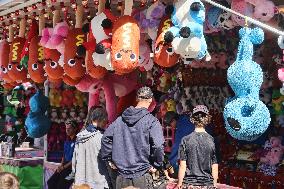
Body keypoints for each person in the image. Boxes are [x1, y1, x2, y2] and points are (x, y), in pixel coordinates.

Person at [101, 86, 165, 189]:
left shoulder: (119, 120)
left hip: (121, 177)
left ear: (136, 99)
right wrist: (157, 165)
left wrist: (110, 159)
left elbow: (105, 139)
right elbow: (158, 146)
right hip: (142, 176)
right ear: (150, 100)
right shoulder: (152, 121)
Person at [176, 105, 218, 189]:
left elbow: (182, 166)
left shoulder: (185, 140)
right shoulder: (212, 140)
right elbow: (215, 166)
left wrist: (179, 183)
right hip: (207, 184)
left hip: (189, 184)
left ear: (192, 119)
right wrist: (214, 185)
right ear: (207, 119)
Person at [71, 106, 111, 189]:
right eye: (106, 121)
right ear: (102, 120)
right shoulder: (102, 138)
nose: (106, 124)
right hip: (98, 184)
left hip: (81, 183)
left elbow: (74, 162)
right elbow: (109, 162)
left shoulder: (80, 136)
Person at [47, 120, 78, 189]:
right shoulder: (67, 141)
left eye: (69, 128)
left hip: (73, 169)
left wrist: (63, 167)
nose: (67, 130)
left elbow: (75, 159)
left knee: (61, 186)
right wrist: (61, 165)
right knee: (51, 182)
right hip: (65, 165)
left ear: (75, 129)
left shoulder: (78, 141)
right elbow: (64, 154)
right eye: (66, 129)